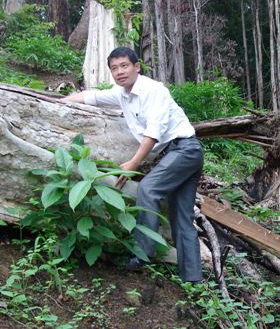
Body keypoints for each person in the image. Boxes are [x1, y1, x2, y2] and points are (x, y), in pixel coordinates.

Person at [64, 47, 203, 283]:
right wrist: (58, 101)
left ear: (136, 67)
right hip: (181, 153)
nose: (119, 72)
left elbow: (154, 132)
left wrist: (132, 164)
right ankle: (192, 279)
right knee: (181, 216)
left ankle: (142, 256)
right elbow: (93, 97)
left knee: (148, 189)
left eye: (124, 66)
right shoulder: (122, 94)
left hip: (185, 150)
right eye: (114, 68)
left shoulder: (153, 90)